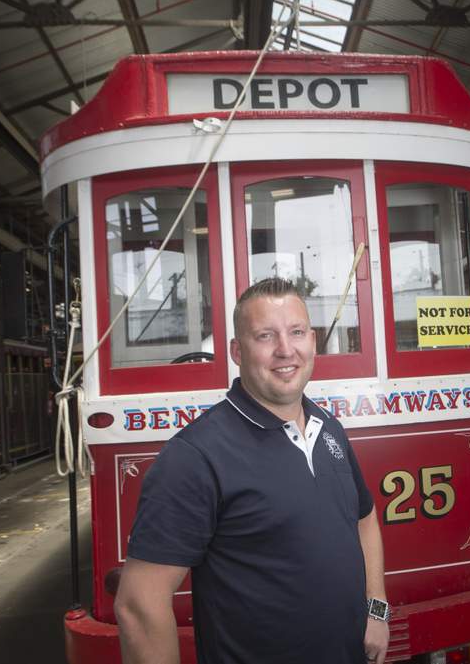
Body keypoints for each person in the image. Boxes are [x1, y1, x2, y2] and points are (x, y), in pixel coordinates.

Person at [115, 277, 390, 664]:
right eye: (265, 336)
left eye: (296, 332)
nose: (285, 350)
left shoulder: (329, 429)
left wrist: (376, 610)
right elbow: (139, 607)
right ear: (237, 351)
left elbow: (363, 518)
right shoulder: (195, 456)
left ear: (312, 340)